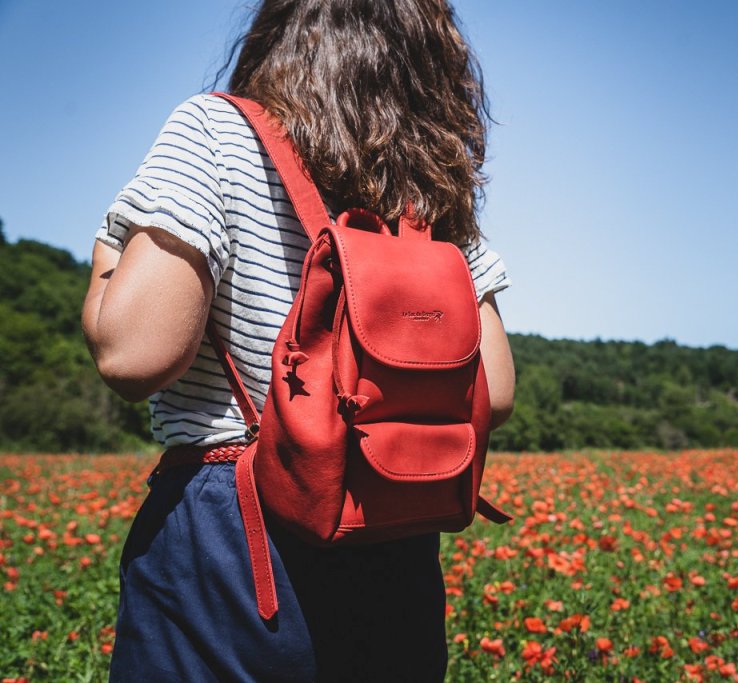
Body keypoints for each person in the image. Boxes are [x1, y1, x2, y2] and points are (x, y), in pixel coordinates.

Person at [81, 0, 515, 679]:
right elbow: (499, 384)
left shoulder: (214, 130)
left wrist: (112, 241)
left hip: (233, 537)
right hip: (392, 525)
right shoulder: (426, 179)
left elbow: (133, 354)